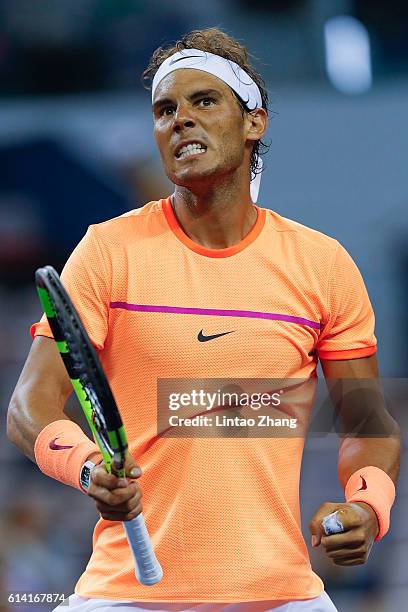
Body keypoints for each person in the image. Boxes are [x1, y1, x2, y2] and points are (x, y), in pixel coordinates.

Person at [7, 28, 400, 612]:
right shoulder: (107, 251)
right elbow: (28, 408)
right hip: (124, 595)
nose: (180, 120)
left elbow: (367, 421)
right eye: (165, 110)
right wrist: (89, 471)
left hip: (281, 595)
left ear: (254, 123)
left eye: (204, 102)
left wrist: (366, 505)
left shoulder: (323, 264)